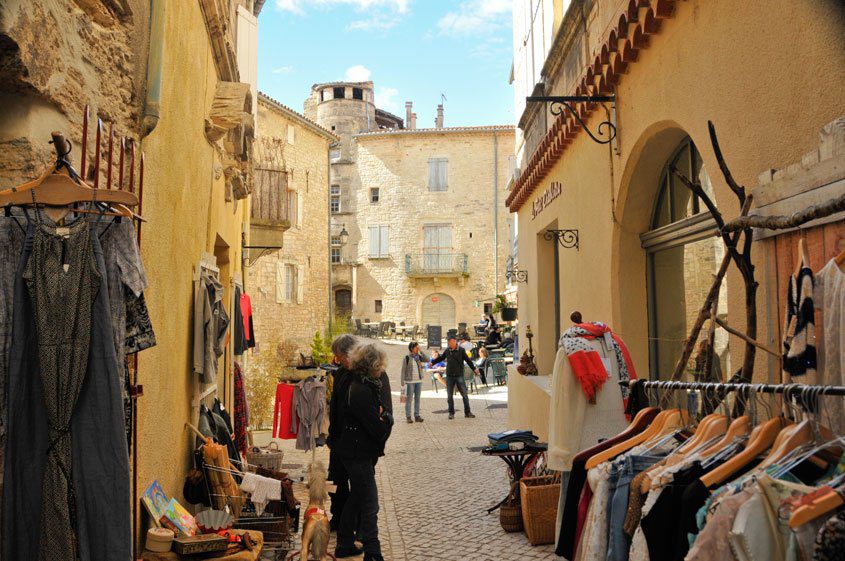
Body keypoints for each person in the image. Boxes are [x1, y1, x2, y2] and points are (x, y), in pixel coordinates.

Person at [333, 344, 393, 561]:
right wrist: (386, 418)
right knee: (370, 502)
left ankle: (344, 544)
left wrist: (380, 416)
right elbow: (377, 429)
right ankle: (373, 552)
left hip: (354, 451)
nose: (381, 370)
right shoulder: (362, 390)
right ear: (372, 366)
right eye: (379, 366)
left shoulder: (361, 385)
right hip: (357, 453)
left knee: (357, 497)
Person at [326, 334, 358, 533]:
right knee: (334, 481)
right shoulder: (341, 373)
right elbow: (335, 406)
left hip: (354, 443)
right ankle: (337, 517)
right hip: (338, 440)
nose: (336, 360)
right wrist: (332, 436)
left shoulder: (361, 376)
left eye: (339, 356)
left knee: (358, 486)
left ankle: (354, 524)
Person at [430, 335, 479, 419]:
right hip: (449, 376)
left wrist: (474, 369)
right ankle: (451, 413)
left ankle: (467, 412)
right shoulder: (447, 350)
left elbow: (468, 360)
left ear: (454, 342)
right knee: (449, 396)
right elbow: (441, 358)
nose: (449, 344)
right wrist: (433, 362)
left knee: (464, 395)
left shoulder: (461, 350)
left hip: (459, 375)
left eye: (450, 342)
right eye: (448, 342)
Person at [400, 341, 428, 423]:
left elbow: (427, 359)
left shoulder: (418, 357)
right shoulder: (407, 358)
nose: (418, 348)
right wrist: (402, 382)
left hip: (419, 381)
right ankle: (408, 416)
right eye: (416, 347)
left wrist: (421, 351)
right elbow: (403, 371)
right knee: (409, 399)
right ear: (412, 349)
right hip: (410, 382)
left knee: (417, 399)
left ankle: (417, 416)